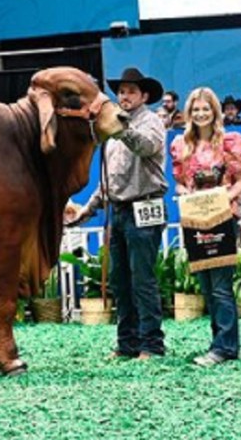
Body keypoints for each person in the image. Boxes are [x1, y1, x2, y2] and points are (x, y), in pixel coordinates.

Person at [67, 67, 168, 361]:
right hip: (119, 209)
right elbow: (108, 178)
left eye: (131, 91)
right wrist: (86, 210)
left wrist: (122, 129)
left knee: (143, 279)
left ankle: (152, 344)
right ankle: (127, 344)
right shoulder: (112, 132)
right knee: (120, 280)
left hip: (145, 205)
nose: (124, 96)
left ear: (144, 96)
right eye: (121, 91)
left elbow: (148, 148)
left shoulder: (152, 121)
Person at [170, 87, 241, 366]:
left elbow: (240, 180)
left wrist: (225, 196)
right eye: (196, 109)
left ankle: (225, 347)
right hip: (194, 221)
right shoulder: (181, 144)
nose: (201, 114)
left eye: (206, 109)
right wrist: (185, 193)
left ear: (214, 111)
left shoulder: (230, 141)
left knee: (221, 286)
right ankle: (220, 342)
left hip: (222, 218)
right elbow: (179, 181)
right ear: (189, 113)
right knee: (206, 285)